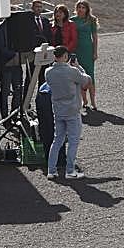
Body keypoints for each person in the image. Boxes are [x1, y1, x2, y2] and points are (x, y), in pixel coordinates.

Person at [44, 46, 91, 180]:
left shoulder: (48, 72)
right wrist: (79, 67)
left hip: (58, 110)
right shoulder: (72, 71)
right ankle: (70, 170)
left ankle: (51, 170)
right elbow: (86, 80)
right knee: (73, 140)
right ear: (65, 56)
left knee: (57, 139)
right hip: (72, 110)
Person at [72, 0, 100, 110]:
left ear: (87, 9)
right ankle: (84, 100)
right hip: (77, 50)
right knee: (79, 75)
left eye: (83, 7)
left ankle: (93, 101)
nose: (81, 9)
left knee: (90, 75)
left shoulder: (91, 20)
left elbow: (95, 37)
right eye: (79, 7)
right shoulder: (72, 20)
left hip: (88, 50)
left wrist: (95, 52)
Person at [0, 19, 21, 120]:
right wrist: (15, 54)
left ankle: (14, 114)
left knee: (18, 90)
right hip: (6, 64)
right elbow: (1, 48)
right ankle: (5, 116)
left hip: (17, 64)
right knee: (5, 91)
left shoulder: (17, 29)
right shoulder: (0, 29)